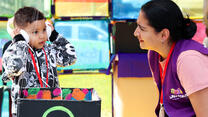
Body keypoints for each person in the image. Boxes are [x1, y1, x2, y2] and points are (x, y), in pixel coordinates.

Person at [134, 0, 208, 116]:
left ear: (164, 35)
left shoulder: (188, 59)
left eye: (142, 28)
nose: (135, 33)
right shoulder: (154, 54)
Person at [2, 7, 77, 117]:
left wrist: (54, 36)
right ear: (23, 35)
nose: (42, 35)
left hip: (50, 106)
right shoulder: (13, 50)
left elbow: (71, 57)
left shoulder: (49, 50)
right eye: (35, 32)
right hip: (25, 109)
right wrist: (20, 43)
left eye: (44, 30)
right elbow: (16, 67)